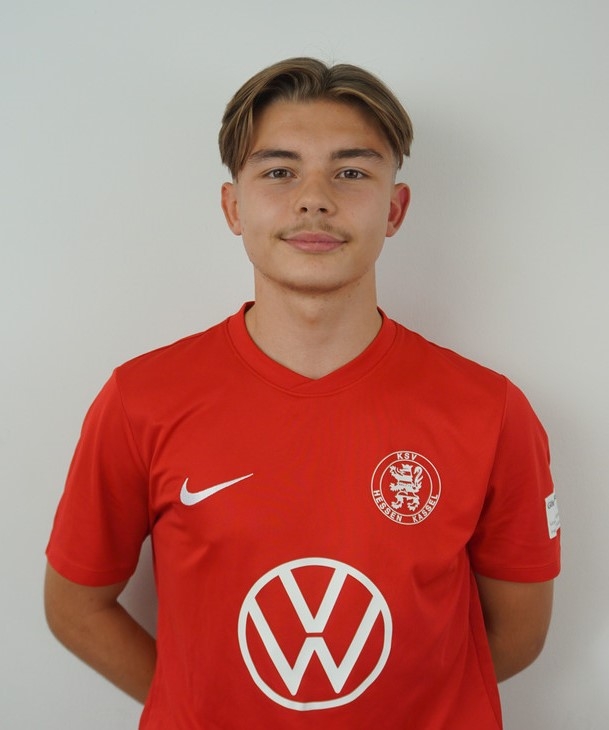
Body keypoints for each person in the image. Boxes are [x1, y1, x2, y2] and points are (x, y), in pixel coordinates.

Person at [45, 57, 561, 729]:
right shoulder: (140, 399)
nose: (314, 198)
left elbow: (517, 633)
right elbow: (76, 606)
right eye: (279, 171)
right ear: (233, 206)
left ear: (395, 208)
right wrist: (203, 707)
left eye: (351, 172)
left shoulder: (489, 411)